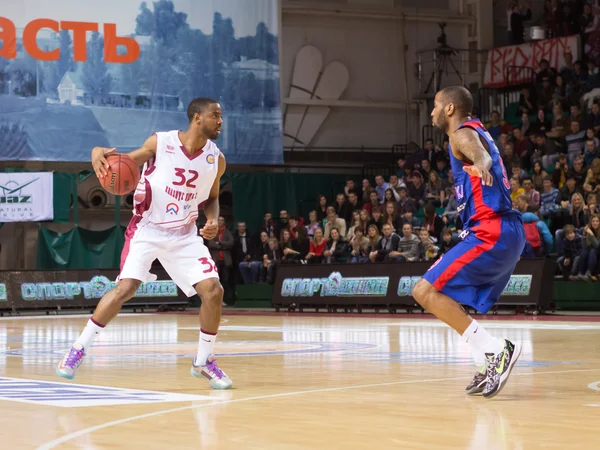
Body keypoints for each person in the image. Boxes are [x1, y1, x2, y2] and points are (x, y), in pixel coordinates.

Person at [55, 98, 232, 389]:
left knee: (213, 291)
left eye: (221, 116)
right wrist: (98, 153)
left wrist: (212, 220)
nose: (220, 121)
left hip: (185, 234)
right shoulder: (161, 143)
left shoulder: (216, 159)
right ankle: (78, 349)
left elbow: (212, 197)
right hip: (147, 228)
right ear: (197, 118)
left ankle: (204, 361)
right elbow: (124, 162)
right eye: (216, 115)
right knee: (125, 289)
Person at [412, 86, 525, 399]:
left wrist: (482, 163)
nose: (432, 112)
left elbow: (478, 152)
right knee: (444, 297)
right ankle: (485, 358)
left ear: (449, 109)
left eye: (435, 106)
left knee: (423, 290)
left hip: (492, 231)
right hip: (502, 230)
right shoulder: (477, 129)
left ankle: (496, 350)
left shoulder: (460, 133)